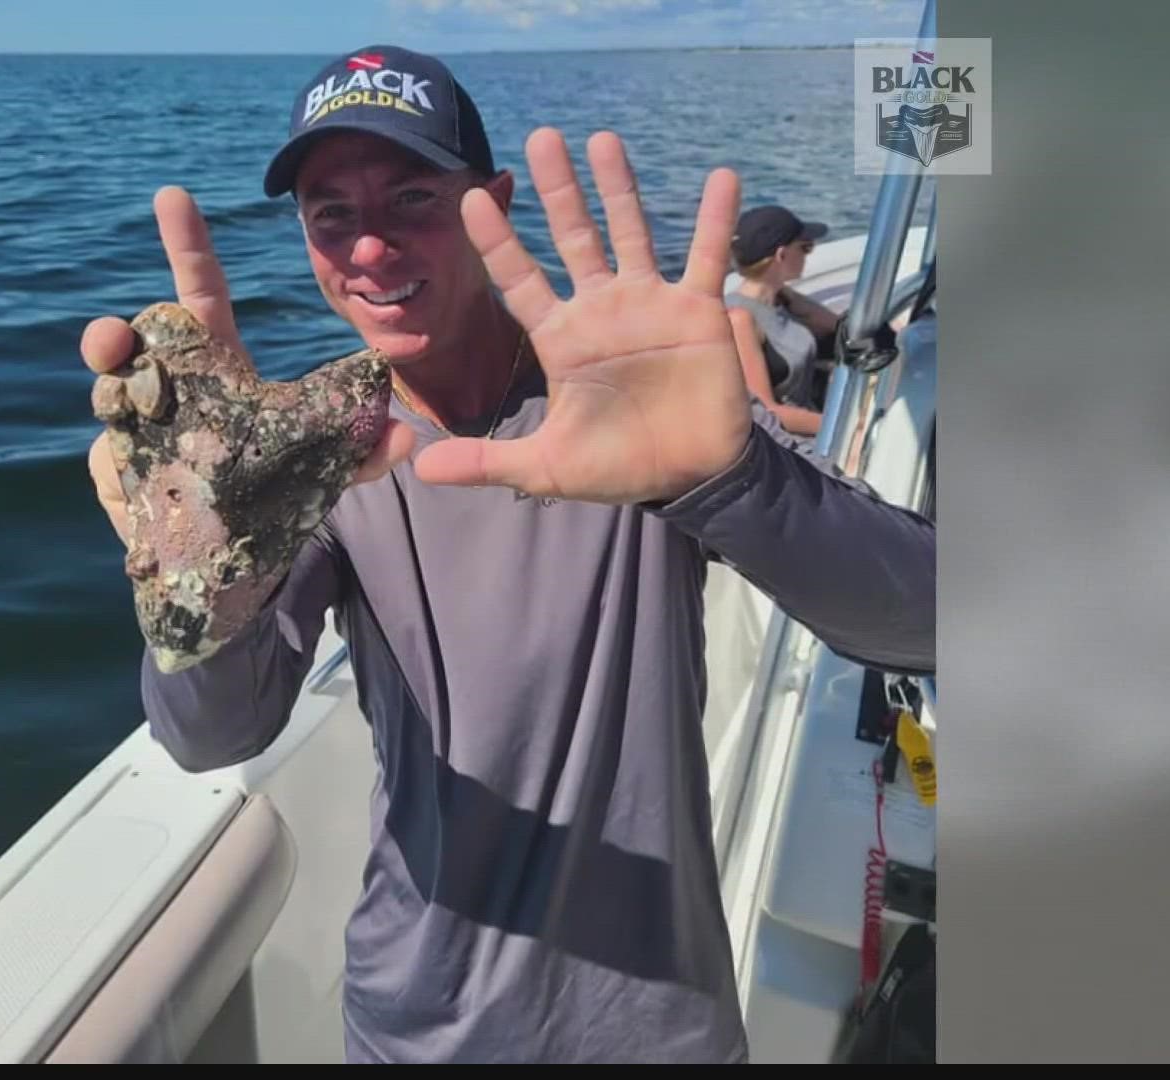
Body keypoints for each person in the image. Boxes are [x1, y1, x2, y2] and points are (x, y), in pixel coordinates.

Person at [81, 45, 934, 1064]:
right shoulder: (313, 449)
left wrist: (730, 478)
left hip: (658, 1030)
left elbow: (925, 620)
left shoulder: (625, 398)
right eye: (331, 214)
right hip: (412, 1033)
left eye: (410, 197)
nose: (370, 248)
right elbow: (214, 736)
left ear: (491, 201)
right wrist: (195, 578)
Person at [723, 204, 844, 436]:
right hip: (789, 440)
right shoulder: (740, 320)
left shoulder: (781, 300)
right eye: (805, 247)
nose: (809, 255)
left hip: (812, 416)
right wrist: (842, 426)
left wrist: (788, 295)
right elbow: (766, 412)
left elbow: (841, 328)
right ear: (781, 255)